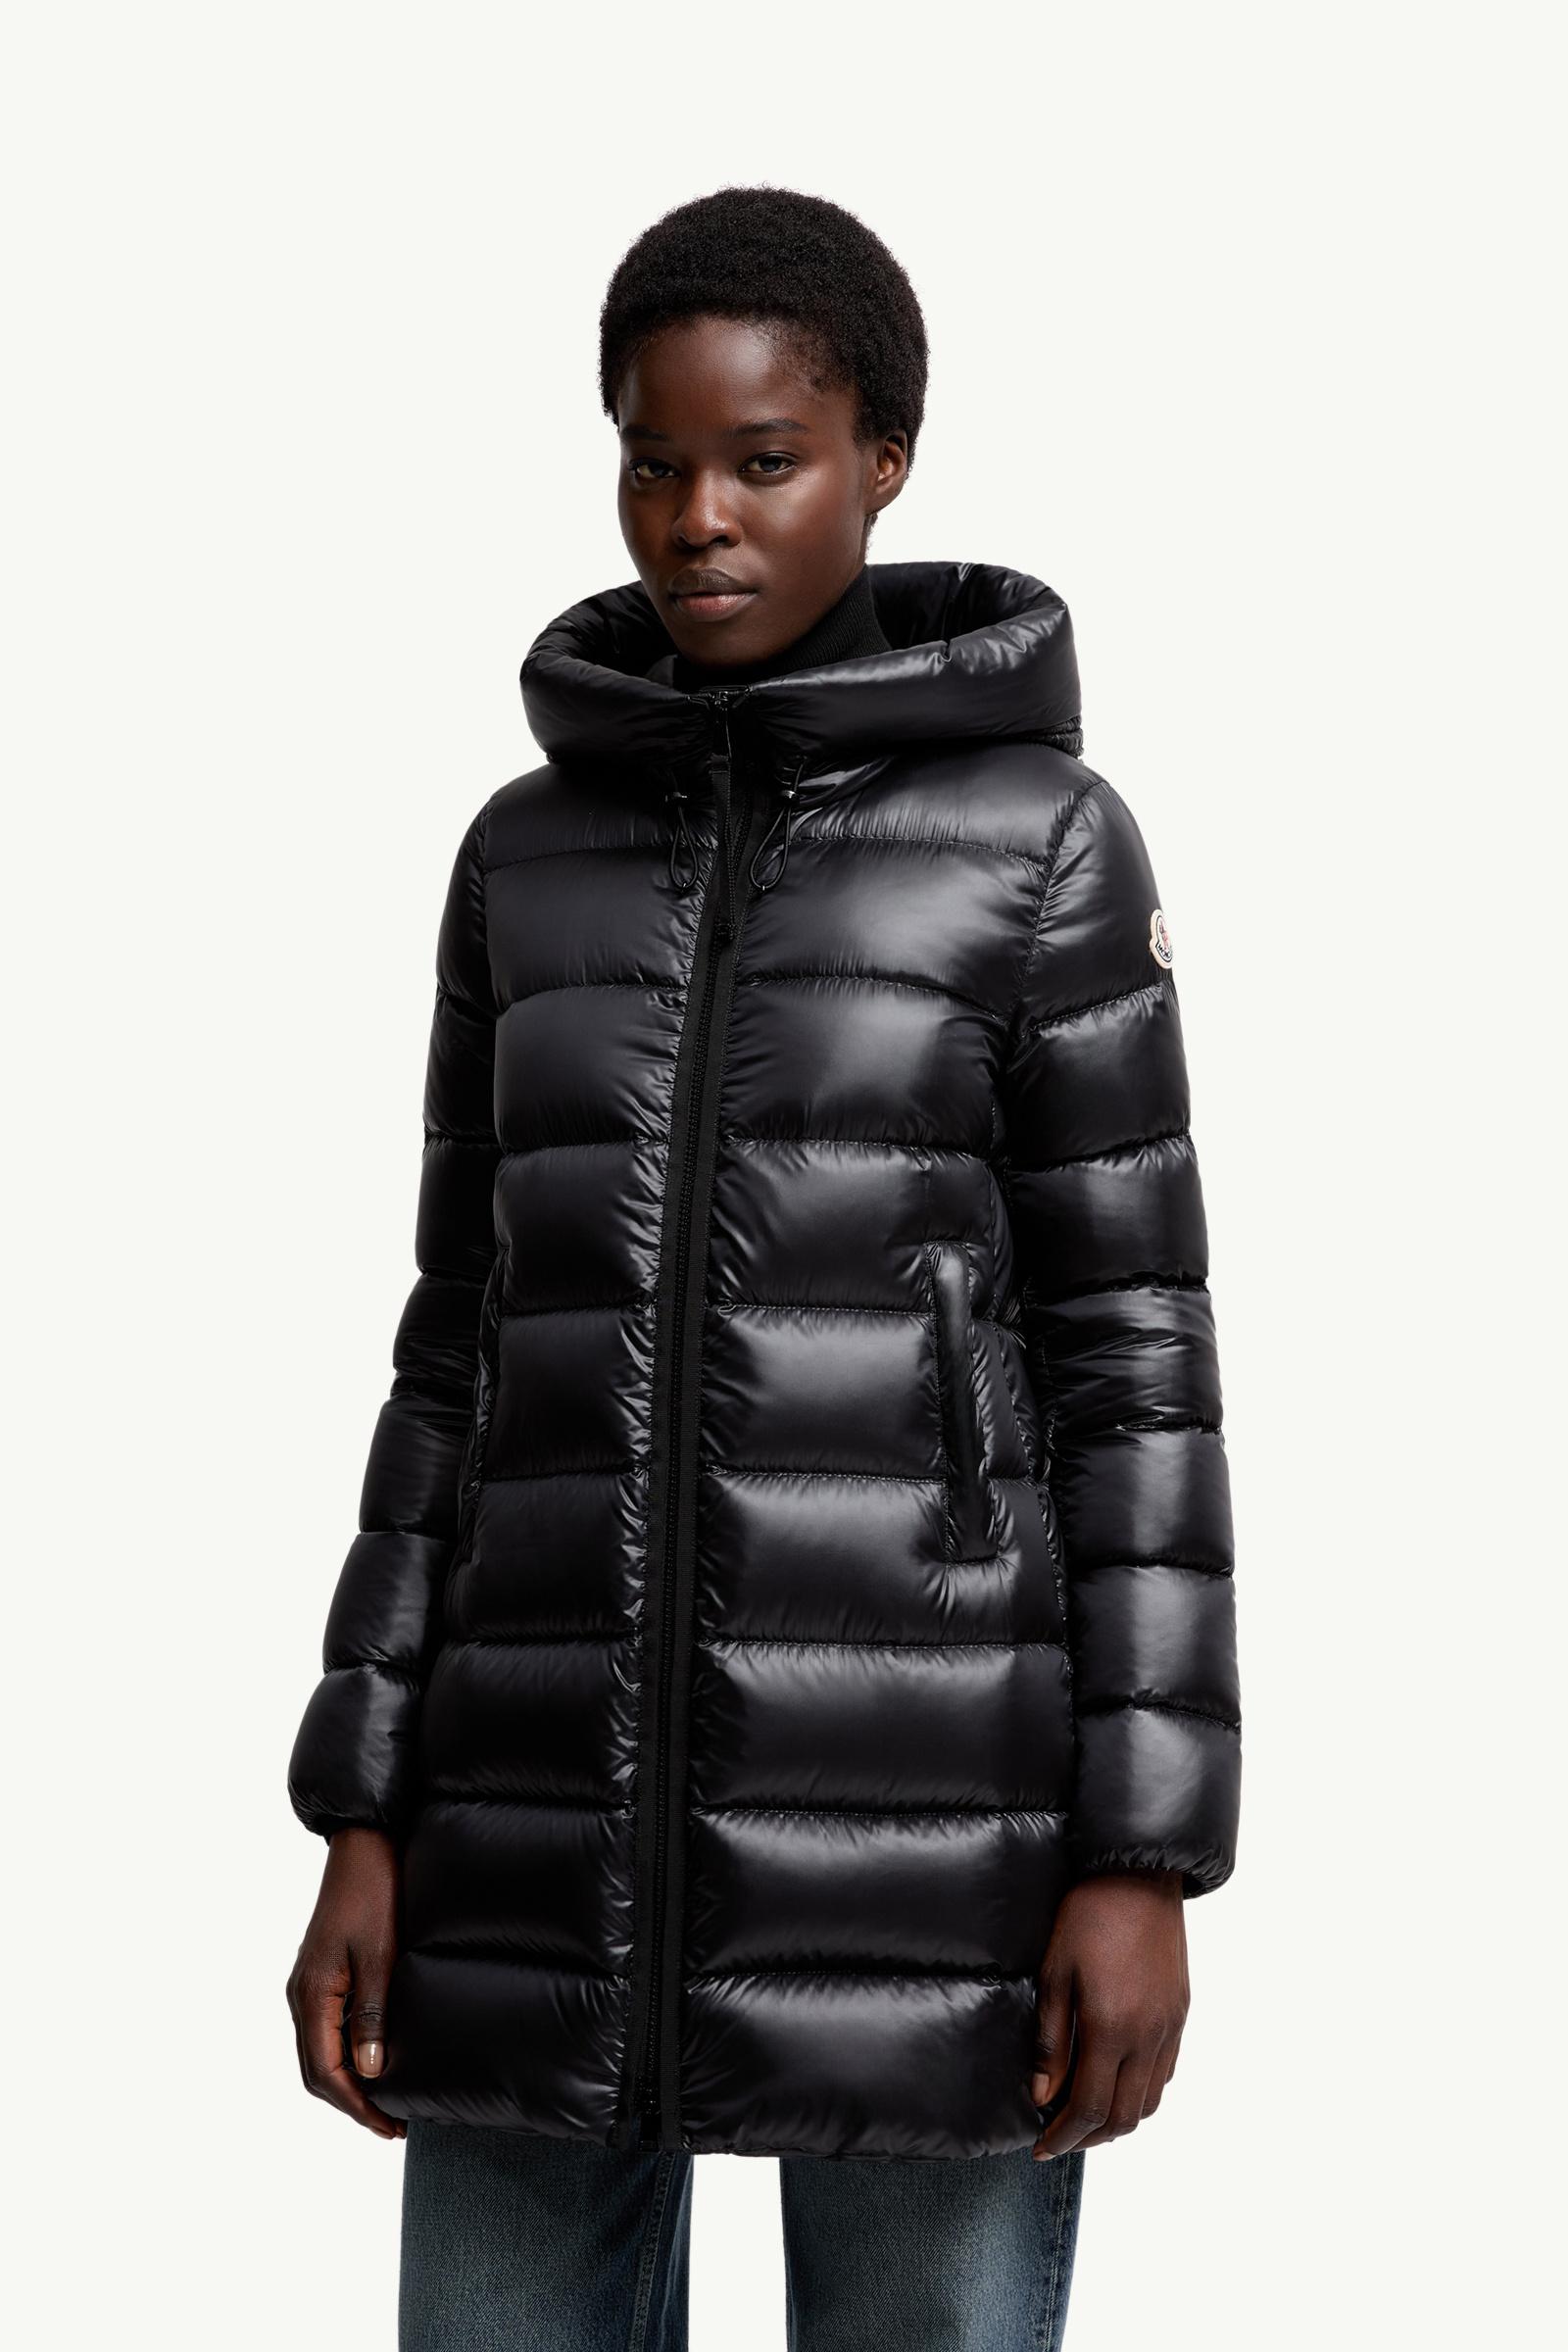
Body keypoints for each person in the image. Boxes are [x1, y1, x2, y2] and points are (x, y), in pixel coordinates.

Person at [286, 183, 1241, 2351]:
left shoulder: (1040, 845)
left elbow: (1134, 1367)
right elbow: (456, 1354)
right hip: (529, 1821)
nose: (695, 517)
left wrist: (1142, 1856)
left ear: (884, 460)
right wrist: (363, 1804)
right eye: (652, 461)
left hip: (938, 1829)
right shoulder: (525, 858)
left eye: (763, 460)